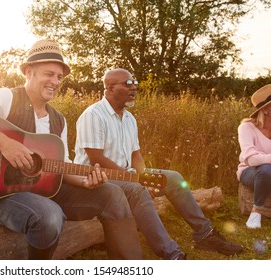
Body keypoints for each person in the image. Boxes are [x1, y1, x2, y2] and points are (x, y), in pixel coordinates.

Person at [0, 39, 146, 260]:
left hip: (46, 190)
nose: (55, 81)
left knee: (112, 193)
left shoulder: (58, 120)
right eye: (49, 74)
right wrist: (6, 144)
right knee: (50, 215)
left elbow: (62, 165)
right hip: (2, 195)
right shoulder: (7, 98)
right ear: (29, 71)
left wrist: (84, 181)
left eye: (59, 77)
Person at [74, 68, 244, 257]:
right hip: (97, 178)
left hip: (126, 173)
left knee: (173, 178)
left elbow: (135, 155)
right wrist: (136, 180)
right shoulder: (93, 115)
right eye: (128, 84)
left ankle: (205, 235)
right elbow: (97, 159)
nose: (134, 88)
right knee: (138, 190)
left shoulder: (129, 118)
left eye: (135, 83)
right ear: (110, 88)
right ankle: (171, 253)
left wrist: (144, 177)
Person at [237, 84, 271, 229]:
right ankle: (256, 212)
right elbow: (251, 159)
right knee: (265, 169)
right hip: (250, 172)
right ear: (266, 109)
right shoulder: (246, 127)